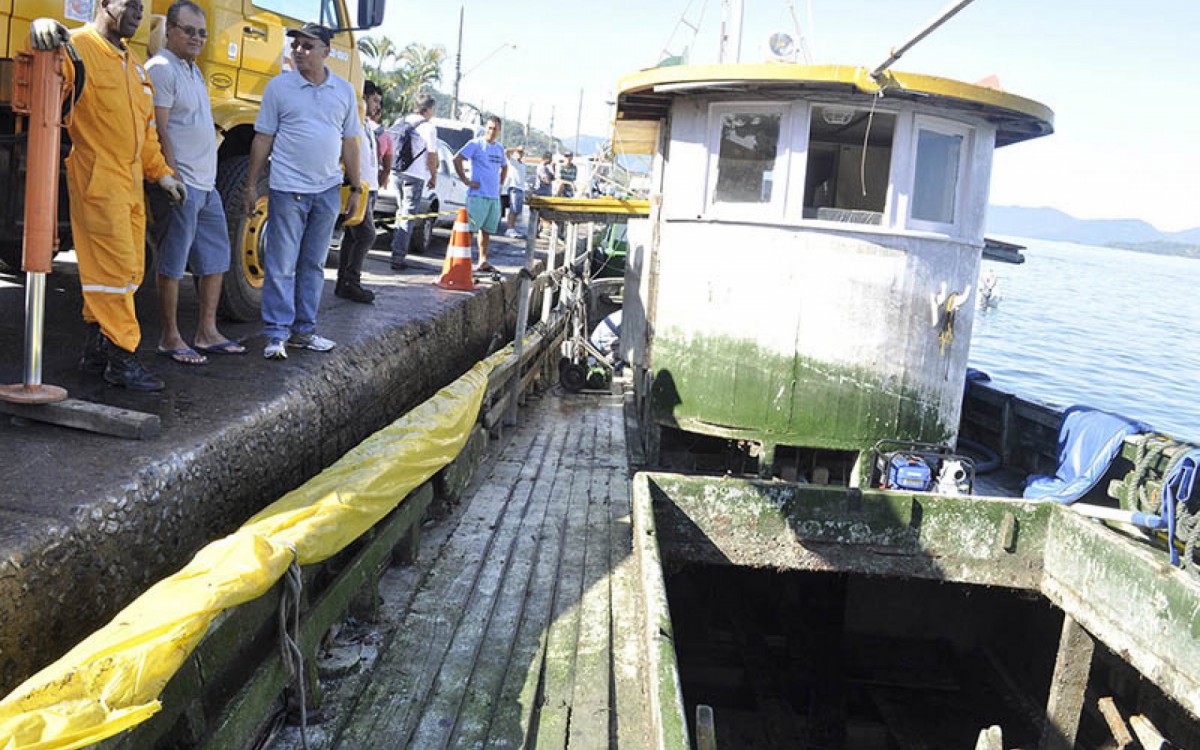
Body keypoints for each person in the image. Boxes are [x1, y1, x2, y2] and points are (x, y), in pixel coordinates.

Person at [29, 3, 187, 391]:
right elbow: (43, 77)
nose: (137, 13)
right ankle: (123, 357)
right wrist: (41, 30)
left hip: (129, 184)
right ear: (103, 4)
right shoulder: (77, 48)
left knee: (128, 271)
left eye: (141, 6)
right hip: (98, 180)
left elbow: (146, 131)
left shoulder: (132, 65)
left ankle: (97, 349)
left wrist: (162, 174)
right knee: (114, 272)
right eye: (128, 4)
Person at [244, 22, 361, 360]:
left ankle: (304, 331)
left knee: (313, 263)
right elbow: (263, 138)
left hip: (326, 189)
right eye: (295, 45)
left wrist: (354, 186)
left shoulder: (343, 91)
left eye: (307, 46)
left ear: (326, 52)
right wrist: (251, 184)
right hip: (287, 188)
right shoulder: (279, 88)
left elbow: (350, 142)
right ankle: (276, 334)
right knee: (281, 263)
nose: (298, 51)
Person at [145, 0, 245, 364]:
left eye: (202, 32)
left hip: (207, 185)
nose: (197, 38)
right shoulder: (161, 69)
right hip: (183, 184)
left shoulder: (193, 70)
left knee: (216, 259)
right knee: (172, 263)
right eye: (189, 31)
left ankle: (206, 332)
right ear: (170, 29)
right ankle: (170, 337)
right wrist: (170, 176)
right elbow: (158, 128)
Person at [335, 79, 383, 304]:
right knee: (366, 235)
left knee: (353, 236)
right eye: (374, 100)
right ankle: (351, 281)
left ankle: (343, 281)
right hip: (359, 186)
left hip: (369, 187)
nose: (377, 106)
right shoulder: (354, 121)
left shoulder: (368, 126)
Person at [389, 92, 437, 270]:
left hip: (397, 172)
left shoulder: (401, 121)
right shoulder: (429, 128)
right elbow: (431, 156)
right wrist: (433, 176)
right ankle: (398, 256)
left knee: (401, 212)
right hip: (415, 176)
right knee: (407, 216)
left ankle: (395, 249)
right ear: (429, 109)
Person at [453, 116, 507, 274]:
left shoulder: (499, 148)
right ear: (485, 128)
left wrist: (500, 184)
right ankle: (463, 261)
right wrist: (466, 180)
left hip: (493, 196)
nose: (492, 131)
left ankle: (483, 260)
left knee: (487, 230)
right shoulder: (476, 144)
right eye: (489, 128)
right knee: (470, 229)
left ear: (499, 130)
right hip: (477, 195)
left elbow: (504, 167)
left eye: (495, 128)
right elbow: (457, 159)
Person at [503, 146, 527, 238]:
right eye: (518, 152)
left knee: (517, 210)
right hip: (514, 187)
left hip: (521, 188)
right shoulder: (513, 162)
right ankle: (509, 229)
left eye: (521, 153)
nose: (520, 154)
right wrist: (516, 148)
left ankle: (512, 228)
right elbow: (506, 152)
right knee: (513, 209)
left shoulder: (523, 165)